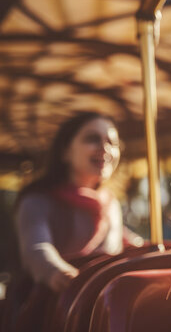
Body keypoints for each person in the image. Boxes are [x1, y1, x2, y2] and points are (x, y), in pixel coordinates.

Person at [15, 112, 133, 293]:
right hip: (54, 304)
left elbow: (126, 242)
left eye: (112, 142)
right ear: (65, 152)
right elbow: (36, 249)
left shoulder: (110, 204)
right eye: (92, 139)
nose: (105, 148)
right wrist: (58, 272)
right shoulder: (37, 201)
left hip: (101, 299)